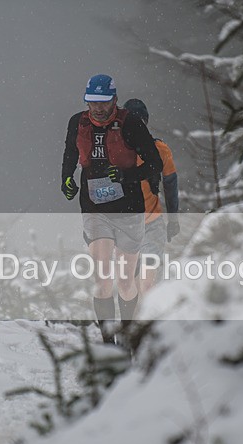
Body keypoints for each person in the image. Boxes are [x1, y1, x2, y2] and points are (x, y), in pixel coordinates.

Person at [61, 74, 163, 343]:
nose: (98, 108)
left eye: (104, 102)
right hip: (94, 207)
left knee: (126, 281)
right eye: (92, 102)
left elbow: (155, 163)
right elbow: (70, 154)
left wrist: (126, 176)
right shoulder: (78, 123)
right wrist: (66, 179)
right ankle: (108, 343)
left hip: (129, 207)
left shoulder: (130, 123)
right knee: (103, 278)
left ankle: (129, 336)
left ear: (114, 100)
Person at [123, 98, 180, 299]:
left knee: (147, 282)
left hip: (151, 224)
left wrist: (172, 220)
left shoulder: (160, 150)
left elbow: (170, 184)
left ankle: (154, 321)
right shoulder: (114, 152)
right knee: (130, 286)